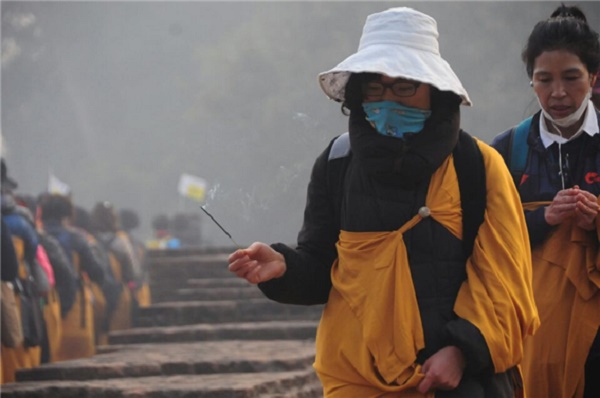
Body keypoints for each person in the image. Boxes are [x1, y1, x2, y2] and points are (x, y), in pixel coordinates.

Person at [228, 7, 539, 397]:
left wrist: (461, 351)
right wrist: (284, 268)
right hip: (358, 378)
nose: (388, 99)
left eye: (404, 86)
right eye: (375, 87)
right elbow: (327, 269)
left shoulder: (476, 166)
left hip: (455, 379)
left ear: (434, 91)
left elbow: (504, 281)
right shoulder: (336, 164)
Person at [491, 5, 600, 398]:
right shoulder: (504, 153)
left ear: (593, 78)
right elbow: (483, 239)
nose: (558, 93)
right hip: (527, 333)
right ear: (531, 82)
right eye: (544, 80)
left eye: (572, 78)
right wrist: (542, 220)